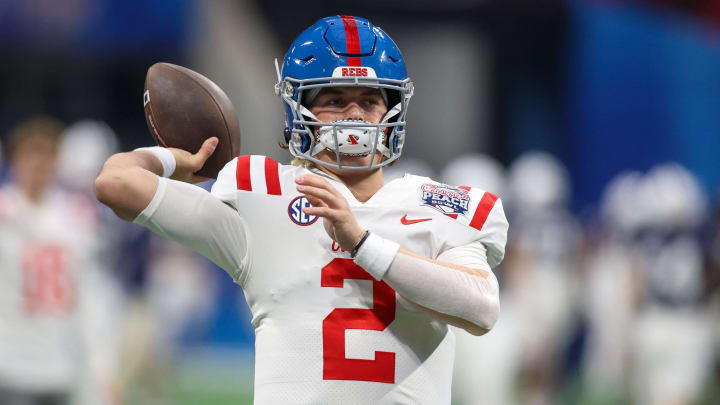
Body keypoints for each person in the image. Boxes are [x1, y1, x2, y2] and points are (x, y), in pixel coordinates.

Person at [94, 15, 508, 404]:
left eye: (369, 99)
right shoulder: (263, 196)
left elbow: (481, 308)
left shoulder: (439, 206)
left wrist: (363, 244)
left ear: (392, 111)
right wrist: (174, 161)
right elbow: (115, 183)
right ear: (298, 108)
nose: (355, 114)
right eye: (334, 98)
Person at [0, 117, 102, 405]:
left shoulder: (74, 216)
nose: (38, 168)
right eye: (31, 157)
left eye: (46, 159)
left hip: (61, 361)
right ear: (16, 161)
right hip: (10, 360)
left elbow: (87, 294)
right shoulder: (6, 211)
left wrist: (99, 365)